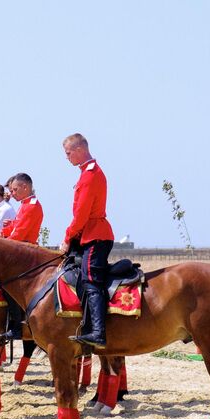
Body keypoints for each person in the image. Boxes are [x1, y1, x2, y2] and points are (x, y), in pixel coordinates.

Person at [60, 133, 114, 349]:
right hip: (90, 233)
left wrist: (67, 237)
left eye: (68, 153)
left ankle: (98, 332)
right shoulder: (86, 173)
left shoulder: (90, 175)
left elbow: (81, 215)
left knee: (91, 280)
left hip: (95, 234)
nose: (67, 158)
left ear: (80, 149)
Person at [0, 173, 44, 342]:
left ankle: (16, 326)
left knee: (8, 284)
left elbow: (20, 233)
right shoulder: (25, 204)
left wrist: (1, 245)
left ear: (25, 187)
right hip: (20, 248)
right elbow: (17, 228)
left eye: (15, 189)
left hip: (25, 252)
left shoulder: (31, 205)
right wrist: (8, 227)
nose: (12, 193)